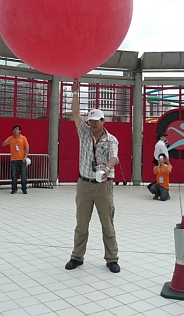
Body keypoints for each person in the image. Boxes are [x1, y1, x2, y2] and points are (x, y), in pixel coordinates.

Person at [65, 80, 121, 273]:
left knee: (107, 224)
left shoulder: (112, 139)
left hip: (104, 186)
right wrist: (75, 94)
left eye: (96, 121)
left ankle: (111, 259)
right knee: (81, 224)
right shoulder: (84, 133)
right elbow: (74, 113)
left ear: (103, 121)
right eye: (91, 121)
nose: (93, 124)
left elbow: (114, 157)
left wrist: (107, 169)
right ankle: (77, 257)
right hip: (85, 184)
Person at [2, 125, 29, 194]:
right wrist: (8, 141)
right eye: (14, 129)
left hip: (22, 160)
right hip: (14, 160)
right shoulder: (11, 138)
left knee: (23, 175)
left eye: (17, 129)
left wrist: (25, 157)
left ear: (20, 131)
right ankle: (14, 189)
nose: (15, 130)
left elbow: (27, 147)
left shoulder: (23, 138)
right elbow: (3, 144)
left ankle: (24, 189)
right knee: (14, 175)